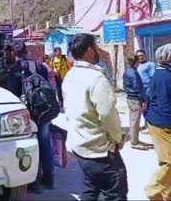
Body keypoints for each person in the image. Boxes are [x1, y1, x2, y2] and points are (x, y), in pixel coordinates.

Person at [62, 34, 127, 201]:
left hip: (80, 148)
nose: (98, 51)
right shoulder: (96, 78)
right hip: (100, 151)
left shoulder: (69, 76)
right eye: (97, 47)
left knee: (89, 190)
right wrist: (118, 138)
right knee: (115, 194)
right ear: (90, 50)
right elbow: (107, 115)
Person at [7, 43, 54, 191]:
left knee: (30, 147)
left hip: (26, 114)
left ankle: (34, 182)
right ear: (26, 51)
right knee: (45, 143)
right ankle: (49, 178)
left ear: (15, 53)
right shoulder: (40, 66)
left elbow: (11, 92)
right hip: (43, 112)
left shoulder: (16, 68)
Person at [144, 43, 171, 201]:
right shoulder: (165, 76)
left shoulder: (158, 74)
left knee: (165, 160)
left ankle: (167, 194)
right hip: (163, 124)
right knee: (169, 162)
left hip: (157, 121)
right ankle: (152, 190)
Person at [123, 54, 153, 150]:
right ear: (136, 62)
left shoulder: (127, 71)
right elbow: (137, 88)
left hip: (130, 98)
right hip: (135, 99)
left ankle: (135, 140)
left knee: (134, 120)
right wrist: (142, 100)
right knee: (135, 121)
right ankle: (134, 142)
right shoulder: (134, 73)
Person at [137, 49, 156, 133]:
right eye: (139, 55)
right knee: (142, 108)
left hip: (147, 90)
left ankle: (149, 126)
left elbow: (153, 78)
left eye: (142, 55)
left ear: (145, 56)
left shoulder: (150, 64)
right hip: (139, 91)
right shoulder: (136, 65)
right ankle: (147, 124)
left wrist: (149, 90)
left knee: (148, 108)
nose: (140, 57)